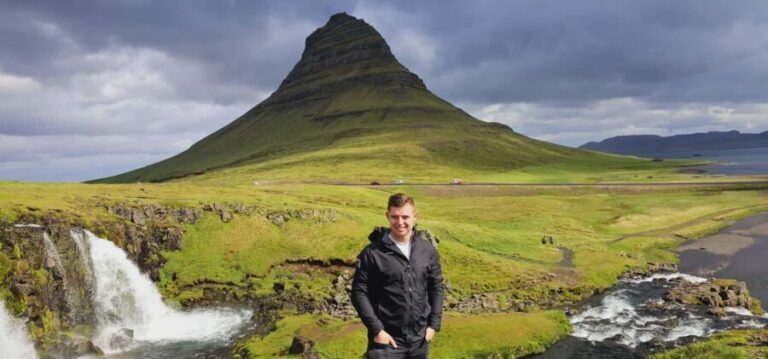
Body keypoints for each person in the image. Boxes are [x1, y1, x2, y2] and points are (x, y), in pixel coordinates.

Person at [351, 193, 444, 358]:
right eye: (394, 217)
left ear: (415, 217)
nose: (400, 222)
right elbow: (358, 292)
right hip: (386, 343)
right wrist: (377, 329)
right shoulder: (372, 253)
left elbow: (436, 287)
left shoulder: (427, 251)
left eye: (405, 217)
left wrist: (433, 325)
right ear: (387, 216)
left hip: (419, 341)